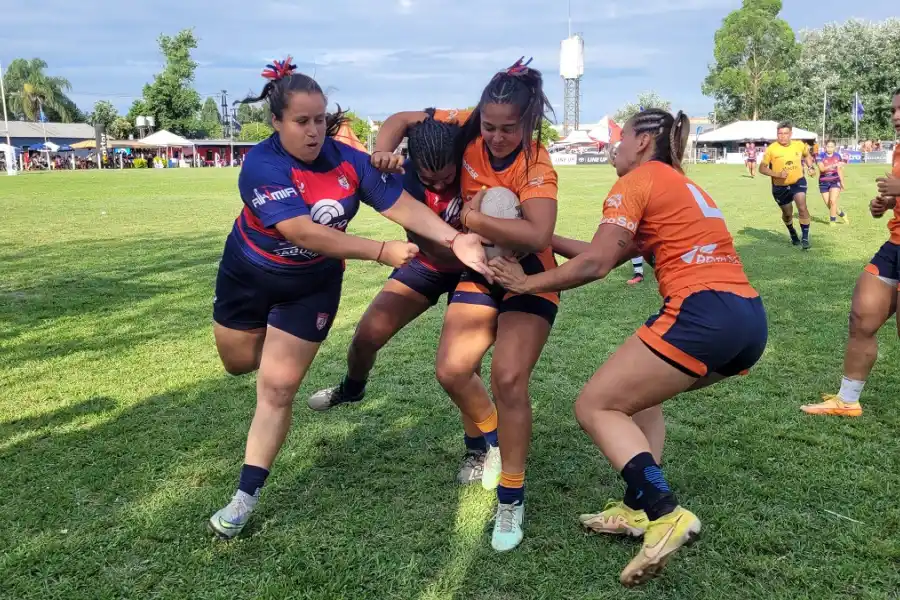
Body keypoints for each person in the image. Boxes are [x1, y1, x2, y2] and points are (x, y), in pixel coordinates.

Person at [206, 58, 490, 539]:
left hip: (310, 287)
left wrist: (453, 237)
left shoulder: (345, 159)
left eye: (320, 119)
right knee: (238, 363)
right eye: (301, 121)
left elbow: (400, 203)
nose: (314, 131)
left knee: (276, 389)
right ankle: (266, 345)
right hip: (248, 277)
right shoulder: (262, 163)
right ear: (276, 122)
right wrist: (381, 251)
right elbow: (300, 230)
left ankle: (243, 499)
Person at [490, 108, 768, 586]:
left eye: (620, 139)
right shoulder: (679, 183)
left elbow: (597, 264)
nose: (613, 147)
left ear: (642, 142)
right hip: (747, 321)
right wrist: (537, 236)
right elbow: (615, 252)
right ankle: (637, 509)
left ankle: (665, 511)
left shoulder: (637, 181)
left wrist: (526, 282)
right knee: (642, 400)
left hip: (702, 311)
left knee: (595, 405)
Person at [374, 58, 559, 552]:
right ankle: (492, 439)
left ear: (527, 122)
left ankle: (511, 497)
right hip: (481, 269)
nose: (496, 138)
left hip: (528, 275)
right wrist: (383, 152)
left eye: (508, 129)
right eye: (490, 127)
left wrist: (476, 218)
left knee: (508, 378)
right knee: (453, 371)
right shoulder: (465, 125)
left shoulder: (537, 162)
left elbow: (538, 233)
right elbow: (399, 119)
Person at [307, 117, 490, 484]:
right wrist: (381, 152)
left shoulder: (474, 165)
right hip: (424, 264)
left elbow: (416, 115)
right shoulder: (399, 171)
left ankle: (478, 449)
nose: (439, 185)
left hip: (473, 270)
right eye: (429, 179)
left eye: (446, 177)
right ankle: (353, 388)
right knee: (366, 336)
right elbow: (403, 120)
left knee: (463, 365)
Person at [804, 89, 900, 416]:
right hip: (895, 245)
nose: (896, 117)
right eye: (894, 110)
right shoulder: (899, 150)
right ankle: (848, 400)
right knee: (862, 317)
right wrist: (885, 204)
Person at [759, 122, 816, 249]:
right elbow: (762, 168)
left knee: (802, 206)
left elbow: (807, 156)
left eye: (785, 133)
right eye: (780, 133)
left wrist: (810, 167)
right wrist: (777, 174)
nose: (782, 136)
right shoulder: (772, 149)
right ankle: (792, 232)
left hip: (798, 182)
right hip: (779, 186)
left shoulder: (799, 145)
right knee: (787, 213)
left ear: (790, 134)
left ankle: (805, 238)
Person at [817, 140, 849, 226]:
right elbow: (822, 169)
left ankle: (832, 221)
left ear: (835, 148)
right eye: (828, 146)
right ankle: (843, 214)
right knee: (829, 205)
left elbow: (840, 170)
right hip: (823, 182)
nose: (829, 148)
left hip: (835, 181)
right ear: (825, 147)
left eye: (831, 147)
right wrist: (833, 165)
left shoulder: (838, 156)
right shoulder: (820, 156)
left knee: (832, 201)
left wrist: (842, 182)